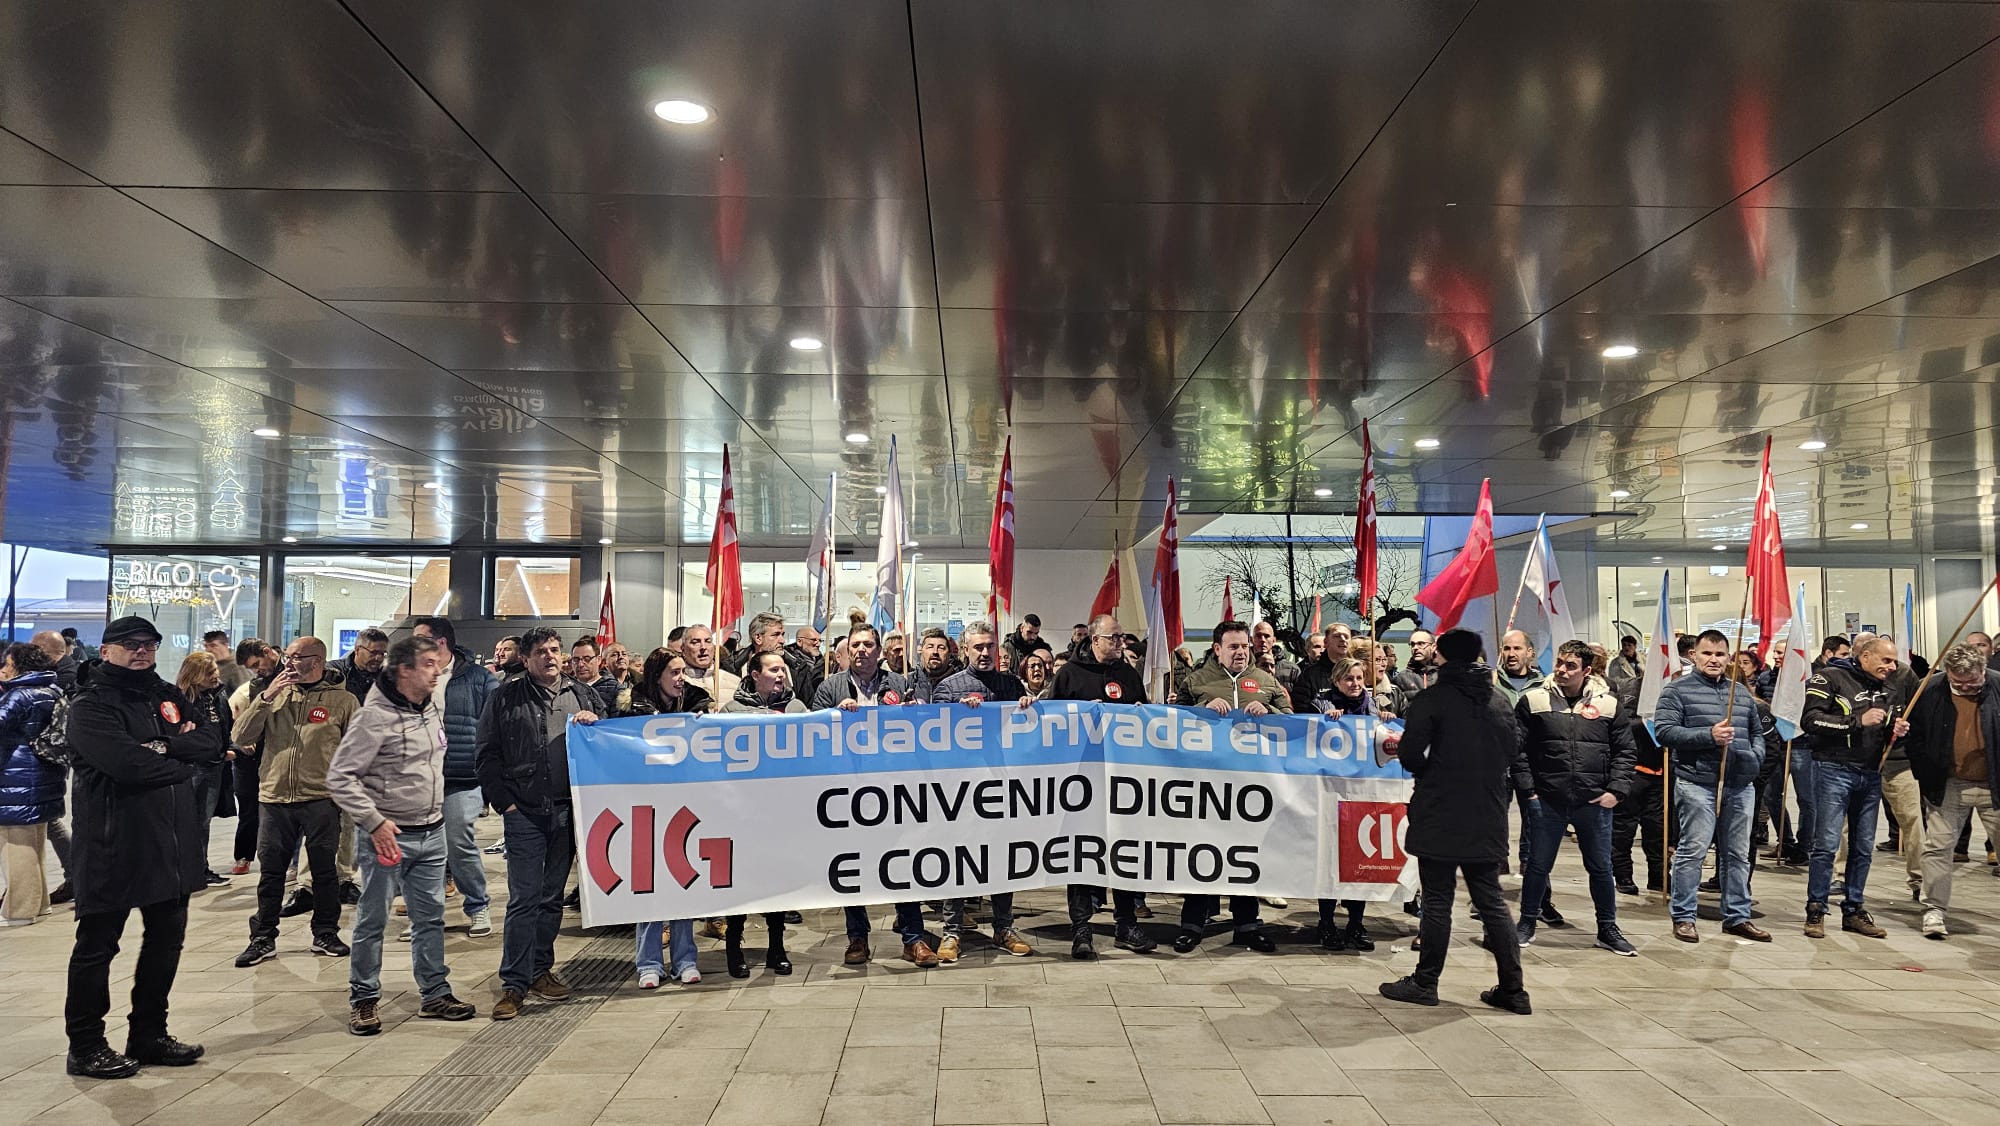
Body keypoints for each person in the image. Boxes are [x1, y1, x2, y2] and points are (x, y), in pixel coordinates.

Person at [62, 616, 225, 1079]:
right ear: (106, 650)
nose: (141, 651)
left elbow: (211, 741)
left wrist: (162, 747)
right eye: (130, 644)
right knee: (97, 947)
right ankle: (86, 1045)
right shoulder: (90, 704)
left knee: (165, 942)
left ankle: (149, 1034)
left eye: (149, 644)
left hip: (171, 843)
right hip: (113, 844)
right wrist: (180, 760)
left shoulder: (164, 694)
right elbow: (127, 764)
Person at [327, 635, 477, 1033]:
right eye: (428, 664)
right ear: (403, 670)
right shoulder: (373, 718)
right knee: (372, 920)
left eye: (437, 663)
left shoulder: (431, 707)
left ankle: (435, 993)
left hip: (432, 832)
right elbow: (340, 778)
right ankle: (364, 998)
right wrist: (374, 821)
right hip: (388, 838)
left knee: (430, 919)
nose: (437, 671)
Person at [1377, 629, 1530, 1015]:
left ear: (1442, 657)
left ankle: (1425, 982)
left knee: (1437, 900)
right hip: (1487, 811)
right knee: (1491, 901)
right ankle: (1513, 989)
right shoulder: (1498, 700)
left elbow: (1410, 754)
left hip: (1441, 810)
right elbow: (1513, 749)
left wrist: (1434, 772)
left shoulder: (1433, 698)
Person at [477, 627, 603, 1019]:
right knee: (524, 898)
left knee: (551, 898)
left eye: (554, 649)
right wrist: (506, 804)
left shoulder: (582, 694)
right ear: (526, 658)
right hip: (525, 812)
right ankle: (513, 983)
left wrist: (596, 723)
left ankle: (540, 970)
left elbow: (609, 743)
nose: (550, 656)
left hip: (568, 812)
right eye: (541, 651)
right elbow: (486, 754)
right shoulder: (505, 697)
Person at [231, 637, 359, 966]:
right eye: (287, 656)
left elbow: (358, 749)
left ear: (317, 661)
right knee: (271, 873)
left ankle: (325, 932)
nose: (287, 662)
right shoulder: (271, 694)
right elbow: (240, 736)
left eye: (295, 657)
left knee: (324, 871)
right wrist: (266, 697)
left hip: (321, 798)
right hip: (274, 797)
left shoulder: (343, 700)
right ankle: (263, 937)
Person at [810, 625, 930, 965]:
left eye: (867, 644)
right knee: (853, 865)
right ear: (847, 650)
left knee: (902, 863)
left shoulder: (900, 684)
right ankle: (857, 938)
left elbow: (922, 729)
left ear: (879, 651)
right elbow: (813, 731)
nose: (861, 650)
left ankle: (914, 938)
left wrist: (916, 709)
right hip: (848, 789)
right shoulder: (831, 687)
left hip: (893, 787)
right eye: (855, 645)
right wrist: (834, 715)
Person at [1511, 640, 1638, 956]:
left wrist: (1616, 791)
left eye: (1571, 666)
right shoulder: (1534, 700)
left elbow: (1625, 751)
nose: (1562, 670)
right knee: (1537, 866)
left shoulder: (1608, 705)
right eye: (1560, 663)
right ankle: (1526, 922)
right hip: (1547, 800)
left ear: (1587, 670)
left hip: (1594, 801)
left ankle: (1607, 928)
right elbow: (1517, 750)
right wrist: (1529, 791)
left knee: (1601, 868)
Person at [1047, 614, 1157, 959]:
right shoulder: (1069, 674)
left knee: (1123, 852)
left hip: (1122, 782)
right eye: (1114, 638)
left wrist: (1141, 713)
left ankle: (1126, 924)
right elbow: (1050, 722)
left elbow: (1145, 719)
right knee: (1081, 855)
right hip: (1081, 782)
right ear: (1095, 640)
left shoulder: (1128, 674)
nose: (1120, 643)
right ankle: (1081, 929)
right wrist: (1078, 714)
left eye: (1122, 637)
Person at [931, 622, 1038, 960]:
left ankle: (1003, 927)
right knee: (958, 858)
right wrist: (957, 715)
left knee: (1002, 859)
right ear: (965, 650)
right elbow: (934, 735)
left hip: (1002, 786)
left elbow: (1028, 731)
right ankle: (951, 931)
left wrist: (1028, 707)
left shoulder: (1011, 684)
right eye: (978, 647)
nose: (985, 652)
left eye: (990, 646)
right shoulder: (948, 688)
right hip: (961, 790)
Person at [1656, 630, 1770, 943]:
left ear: (1728, 658)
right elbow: (1664, 732)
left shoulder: (1740, 693)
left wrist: (1754, 758)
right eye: (1707, 653)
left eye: (1720, 654)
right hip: (1697, 783)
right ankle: (1684, 916)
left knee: (1737, 854)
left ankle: (1737, 916)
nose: (1714, 660)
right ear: (1694, 655)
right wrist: (1709, 735)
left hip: (1739, 784)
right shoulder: (1676, 691)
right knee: (1692, 852)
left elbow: (1757, 733)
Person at [1800, 634, 1907, 940]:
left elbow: (1884, 726)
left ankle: (1854, 909)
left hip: (1871, 773)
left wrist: (1895, 728)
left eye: (1893, 661)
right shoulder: (1828, 677)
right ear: (1866, 656)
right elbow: (1810, 720)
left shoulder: (1888, 687)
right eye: (1886, 660)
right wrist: (1858, 721)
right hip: (1833, 769)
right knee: (1827, 844)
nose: (1891, 667)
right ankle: (1816, 909)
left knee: (1863, 847)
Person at [618, 649, 707, 986]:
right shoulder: (632, 709)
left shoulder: (694, 703)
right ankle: (649, 962)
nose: (681, 678)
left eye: (683, 672)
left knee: (683, 881)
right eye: (674, 672)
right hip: (645, 807)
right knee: (650, 885)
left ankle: (685, 959)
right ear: (657, 676)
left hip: (683, 807)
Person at [410, 617, 499, 938]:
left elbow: (496, 722)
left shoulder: (478, 678)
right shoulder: (411, 675)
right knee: (420, 849)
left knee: (458, 841)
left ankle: (477, 905)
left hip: (463, 776)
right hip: (420, 777)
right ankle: (424, 916)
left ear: (441, 642)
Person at [1906, 643, 2000, 939]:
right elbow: (1914, 735)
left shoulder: (1998, 686)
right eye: (1957, 683)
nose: (1965, 688)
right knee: (1937, 847)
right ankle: (1934, 909)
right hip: (1947, 784)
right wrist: (1925, 772)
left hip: (1994, 783)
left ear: (1983, 670)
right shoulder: (1929, 690)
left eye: (1972, 682)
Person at [717, 650, 802, 977]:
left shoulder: (797, 709)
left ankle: (776, 947)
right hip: (742, 812)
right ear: (754, 674)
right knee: (740, 880)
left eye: (782, 669)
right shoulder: (732, 711)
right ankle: (734, 945)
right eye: (773, 669)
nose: (780, 675)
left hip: (781, 811)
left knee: (776, 879)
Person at [0, 642, 64, 925]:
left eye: (7, 663)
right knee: (34, 844)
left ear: (18, 665)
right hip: (42, 777)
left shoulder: (20, 694)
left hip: (16, 781)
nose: (3, 669)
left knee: (16, 846)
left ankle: (19, 910)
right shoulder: (51, 690)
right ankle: (39, 904)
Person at [173, 652, 233, 888]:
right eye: (209, 672)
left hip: (214, 765)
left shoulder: (218, 696)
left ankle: (198, 868)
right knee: (192, 821)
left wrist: (229, 748)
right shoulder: (181, 700)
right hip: (193, 766)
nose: (215, 675)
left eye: (215, 670)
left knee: (202, 821)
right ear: (195, 675)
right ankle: (193, 870)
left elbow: (227, 726)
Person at [226, 638, 279, 876]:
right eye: (251, 668)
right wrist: (240, 744)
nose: (256, 670)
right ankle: (244, 856)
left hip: (276, 756)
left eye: (257, 664)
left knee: (279, 813)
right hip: (249, 761)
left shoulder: (294, 678)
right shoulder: (250, 689)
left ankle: (283, 861)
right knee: (248, 811)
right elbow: (233, 725)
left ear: (267, 652)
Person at [680, 624, 741, 702]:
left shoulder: (735, 682)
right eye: (695, 642)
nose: (703, 647)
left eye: (708, 641)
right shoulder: (675, 683)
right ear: (683, 649)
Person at [336, 628, 389, 706]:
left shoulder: (386, 677)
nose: (379, 658)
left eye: (382, 653)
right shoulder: (335, 672)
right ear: (357, 650)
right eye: (373, 653)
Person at [571, 637, 621, 709]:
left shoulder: (615, 689)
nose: (580, 664)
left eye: (587, 659)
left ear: (598, 660)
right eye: (576, 659)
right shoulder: (566, 689)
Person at [1393, 629, 1442, 697]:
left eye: (1421, 643)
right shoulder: (1401, 678)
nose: (1415, 648)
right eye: (1412, 644)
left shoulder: (1445, 675)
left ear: (1433, 647)